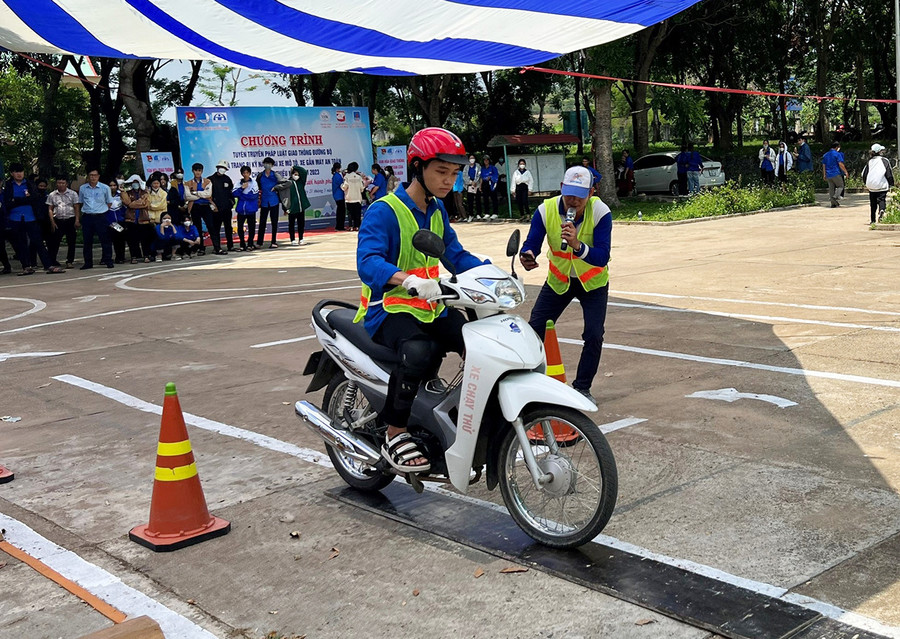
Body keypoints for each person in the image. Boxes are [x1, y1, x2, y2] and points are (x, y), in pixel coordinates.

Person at [355, 127, 486, 473]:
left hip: (431, 306)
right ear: (418, 167)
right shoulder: (384, 210)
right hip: (389, 309)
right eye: (441, 171)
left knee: (479, 343)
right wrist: (406, 279)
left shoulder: (437, 210)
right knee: (418, 351)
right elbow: (367, 262)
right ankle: (395, 432)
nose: (449, 181)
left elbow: (455, 255)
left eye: (454, 173)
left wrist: (494, 273)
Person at [519, 166, 611, 403]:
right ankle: (529, 382)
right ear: (561, 188)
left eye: (579, 196)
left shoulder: (600, 212)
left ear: (591, 192)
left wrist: (578, 246)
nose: (573, 200)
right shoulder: (545, 209)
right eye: (569, 193)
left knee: (593, 334)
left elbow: (602, 256)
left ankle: (582, 388)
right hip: (559, 280)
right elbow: (532, 241)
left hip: (592, 284)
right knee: (535, 327)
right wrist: (527, 255)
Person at [2, 163, 64, 275]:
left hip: (30, 217)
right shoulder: (8, 185)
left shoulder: (30, 184)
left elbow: (35, 198)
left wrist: (16, 200)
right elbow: (8, 202)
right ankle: (26, 266)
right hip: (15, 218)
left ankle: (48, 265)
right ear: (12, 173)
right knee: (21, 244)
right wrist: (24, 199)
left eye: (21, 171)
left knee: (38, 242)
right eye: (16, 172)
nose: (19, 174)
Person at [77, 168, 114, 269]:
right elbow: (80, 202)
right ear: (88, 177)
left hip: (100, 216)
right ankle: (88, 262)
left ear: (98, 176)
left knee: (105, 240)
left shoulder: (105, 188)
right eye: (91, 175)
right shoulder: (83, 188)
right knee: (87, 241)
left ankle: (108, 260)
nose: (93, 177)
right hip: (87, 216)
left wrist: (102, 210)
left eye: (95, 175)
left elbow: (109, 202)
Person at [46, 177, 79, 268]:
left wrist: (77, 220)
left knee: (71, 242)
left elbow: (76, 207)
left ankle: (69, 261)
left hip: (70, 219)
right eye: (59, 183)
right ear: (56, 184)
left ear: (66, 184)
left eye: (63, 183)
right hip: (58, 220)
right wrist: (52, 222)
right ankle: (53, 260)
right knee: (55, 242)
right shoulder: (52, 195)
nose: (61, 185)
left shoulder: (73, 194)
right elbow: (50, 209)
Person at [122, 176, 153, 262]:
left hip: (143, 219)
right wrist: (138, 203)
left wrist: (133, 204)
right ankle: (134, 257)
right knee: (132, 240)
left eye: (137, 182)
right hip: (131, 219)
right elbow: (127, 203)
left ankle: (146, 255)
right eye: (133, 182)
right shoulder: (127, 193)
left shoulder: (145, 192)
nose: (135, 184)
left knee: (145, 239)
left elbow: (145, 203)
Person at [185, 163, 213, 255]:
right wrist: (201, 195)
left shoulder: (207, 181)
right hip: (194, 207)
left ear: (202, 171)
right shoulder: (188, 183)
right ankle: (201, 248)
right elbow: (188, 196)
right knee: (198, 228)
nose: (198, 172)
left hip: (206, 206)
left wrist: (196, 193)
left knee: (211, 226)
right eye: (196, 170)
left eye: (199, 170)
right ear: (193, 171)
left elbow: (208, 194)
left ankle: (217, 247)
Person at [863, 143, 894, 223]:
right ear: (880, 151)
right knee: (881, 200)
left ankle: (872, 220)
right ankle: (882, 210)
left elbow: (864, 174)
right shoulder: (884, 161)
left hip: (871, 186)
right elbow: (889, 174)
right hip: (881, 185)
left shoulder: (869, 161)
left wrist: (866, 183)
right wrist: (891, 184)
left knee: (872, 203)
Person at [256, 157, 284, 248]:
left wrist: (277, 188)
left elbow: (285, 183)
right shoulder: (260, 175)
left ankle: (274, 242)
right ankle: (259, 242)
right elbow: (257, 187)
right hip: (264, 201)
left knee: (274, 222)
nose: (267, 165)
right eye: (266, 163)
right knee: (262, 222)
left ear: (272, 165)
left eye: (269, 163)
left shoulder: (275, 175)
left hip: (274, 201)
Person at [209, 159, 235, 254]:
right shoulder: (210, 179)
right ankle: (217, 247)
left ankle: (230, 246)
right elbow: (208, 195)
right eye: (221, 167)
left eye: (224, 168)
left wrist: (231, 203)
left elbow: (231, 193)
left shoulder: (227, 179)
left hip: (227, 209)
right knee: (216, 229)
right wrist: (212, 205)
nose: (222, 169)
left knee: (228, 227)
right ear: (217, 168)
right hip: (216, 209)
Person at [233, 165, 258, 251]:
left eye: (247, 173)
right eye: (244, 173)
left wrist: (241, 195)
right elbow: (234, 194)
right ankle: (242, 244)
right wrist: (241, 188)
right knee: (240, 228)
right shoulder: (238, 183)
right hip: (241, 210)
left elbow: (253, 196)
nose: (245, 174)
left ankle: (250, 244)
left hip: (251, 209)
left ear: (250, 173)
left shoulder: (254, 183)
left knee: (251, 227)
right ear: (242, 174)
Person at [284, 164, 310, 246]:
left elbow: (304, 172)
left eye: (297, 174)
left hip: (301, 207)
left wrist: (295, 167)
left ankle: (301, 239)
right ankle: (292, 239)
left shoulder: (301, 182)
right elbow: (284, 197)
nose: (297, 176)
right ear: (291, 174)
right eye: (295, 174)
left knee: (301, 223)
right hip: (292, 208)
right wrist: (285, 208)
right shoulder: (288, 183)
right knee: (291, 224)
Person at [822, 141, 849, 208]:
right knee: (841, 186)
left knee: (831, 189)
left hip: (828, 174)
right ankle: (835, 197)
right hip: (835, 173)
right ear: (837, 147)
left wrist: (824, 174)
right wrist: (845, 172)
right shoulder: (837, 154)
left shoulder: (825, 155)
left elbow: (824, 165)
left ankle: (833, 203)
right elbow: (840, 164)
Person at [106, 179, 128, 264]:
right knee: (109, 241)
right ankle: (107, 258)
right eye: (110, 185)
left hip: (120, 221)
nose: (112, 187)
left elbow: (126, 205)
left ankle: (120, 257)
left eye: (114, 185)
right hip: (109, 222)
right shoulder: (105, 196)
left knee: (120, 240)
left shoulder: (120, 195)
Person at [342, 162, 366, 231]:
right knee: (357, 213)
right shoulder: (359, 177)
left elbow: (344, 187)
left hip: (349, 198)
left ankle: (351, 226)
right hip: (357, 197)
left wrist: (341, 186)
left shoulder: (346, 177)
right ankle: (357, 226)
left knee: (350, 213)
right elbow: (362, 188)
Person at [463, 154, 481, 220]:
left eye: (473, 158)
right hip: (469, 185)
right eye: (470, 158)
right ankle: (471, 214)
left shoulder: (478, 166)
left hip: (477, 185)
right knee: (470, 200)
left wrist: (475, 181)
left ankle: (478, 214)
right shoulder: (466, 166)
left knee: (478, 200)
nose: (472, 159)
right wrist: (470, 182)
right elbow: (464, 175)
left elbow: (479, 174)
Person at [331, 162, 346, 231]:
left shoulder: (335, 175)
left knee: (340, 211)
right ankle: (340, 226)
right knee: (341, 212)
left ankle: (339, 226)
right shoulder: (338, 176)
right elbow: (342, 184)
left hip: (337, 195)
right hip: (339, 196)